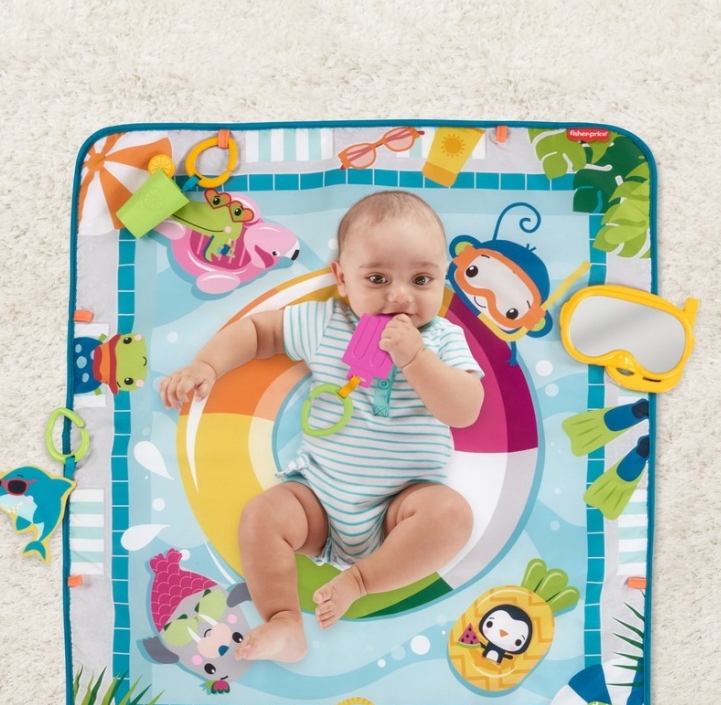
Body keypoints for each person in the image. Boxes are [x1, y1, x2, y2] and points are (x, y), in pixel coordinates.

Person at [159, 191, 485, 662]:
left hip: (403, 506)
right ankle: (284, 621)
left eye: (421, 279)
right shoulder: (328, 322)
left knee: (452, 516)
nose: (399, 296)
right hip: (318, 502)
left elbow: (465, 409)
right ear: (342, 279)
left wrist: (415, 357)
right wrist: (207, 365)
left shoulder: (443, 339)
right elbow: (259, 332)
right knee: (262, 515)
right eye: (377, 279)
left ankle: (361, 580)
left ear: (443, 280)